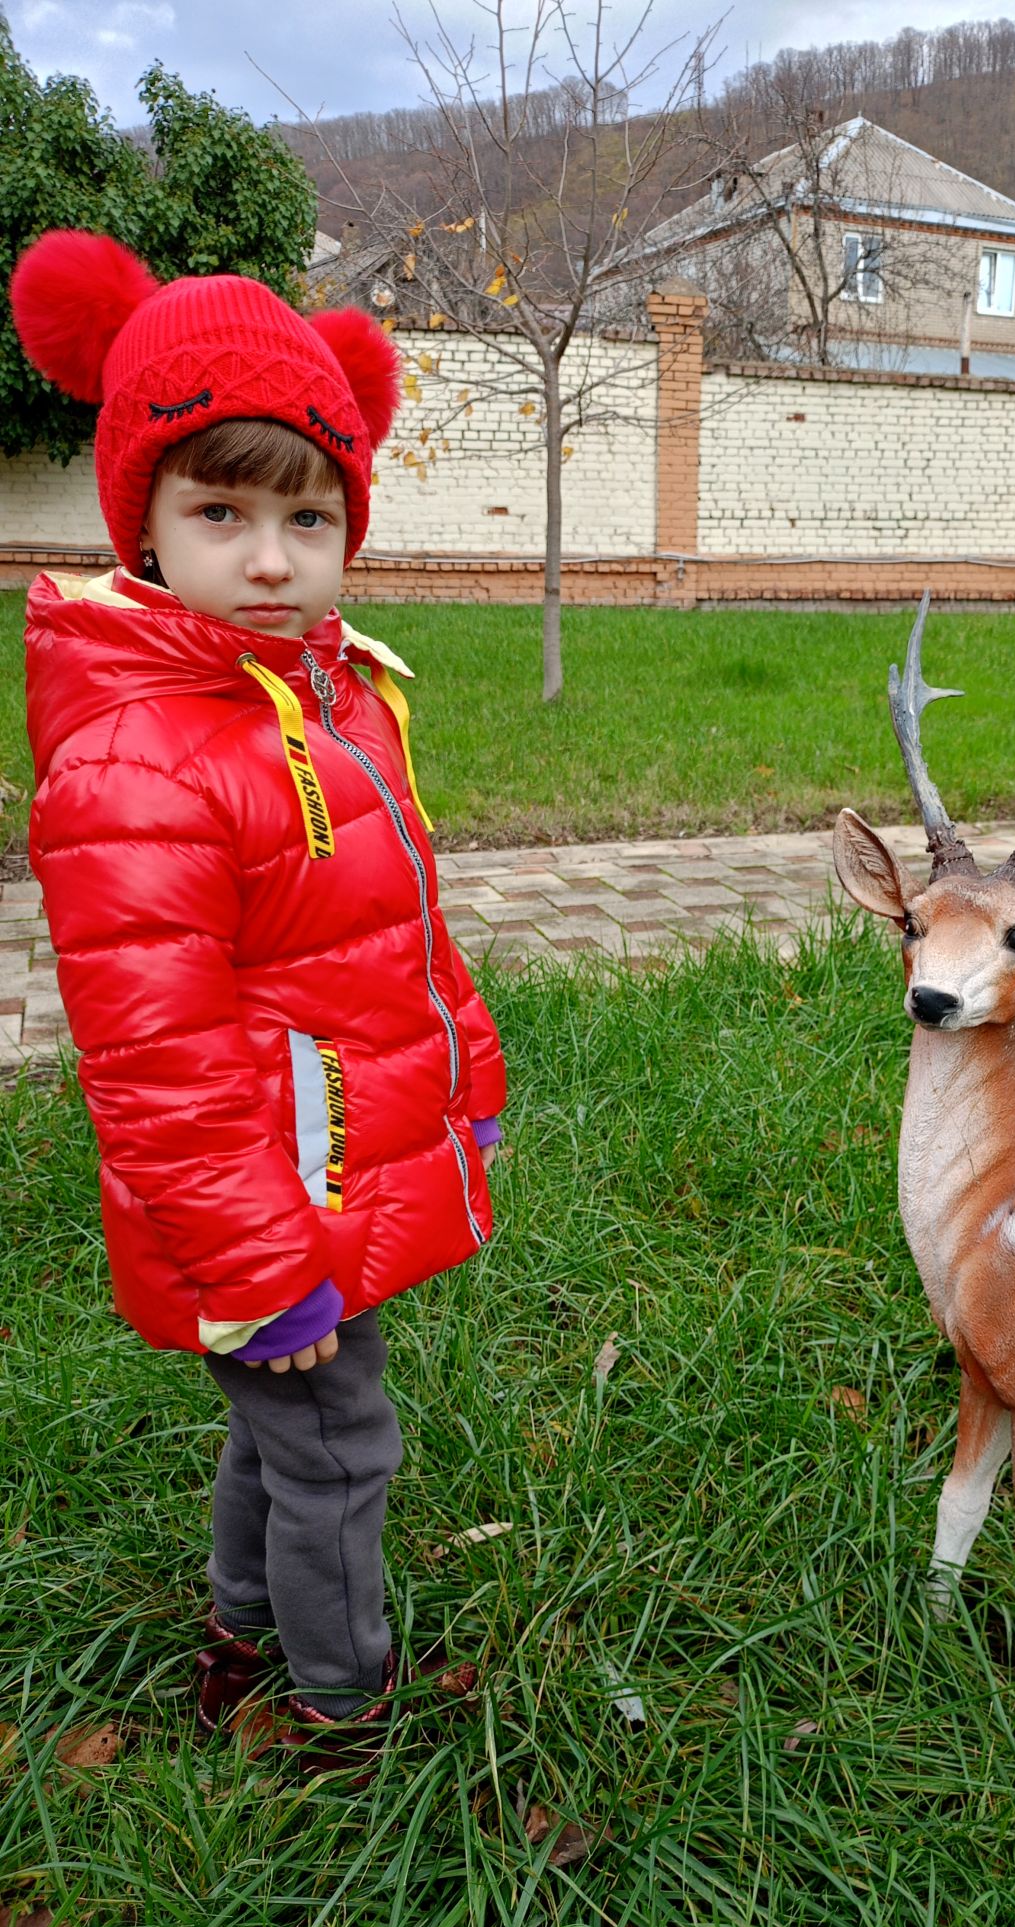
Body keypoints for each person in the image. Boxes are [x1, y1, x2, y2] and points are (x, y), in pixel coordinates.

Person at [9, 230, 505, 1766]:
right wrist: (260, 1267)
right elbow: (151, 1060)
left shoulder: (331, 694)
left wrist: (469, 1089)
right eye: (221, 512)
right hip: (271, 1208)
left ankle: (241, 1636)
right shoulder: (138, 760)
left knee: (286, 1433)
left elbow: (401, 932)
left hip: (341, 1169)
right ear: (145, 528)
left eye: (308, 515)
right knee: (340, 1448)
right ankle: (339, 1708)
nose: (274, 558)